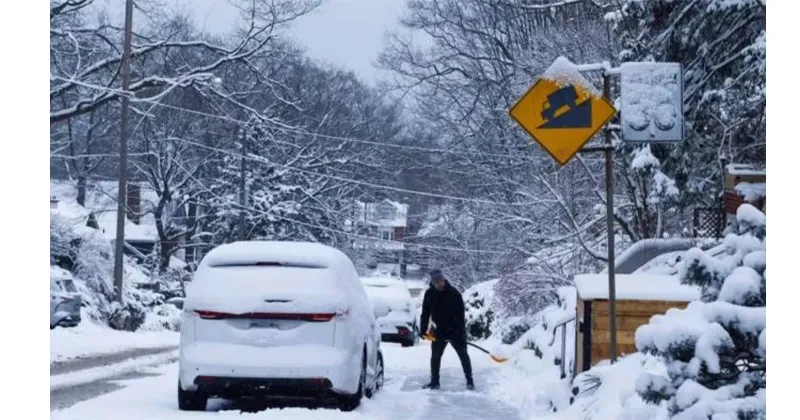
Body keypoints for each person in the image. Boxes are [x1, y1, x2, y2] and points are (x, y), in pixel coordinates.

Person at [419, 268, 474, 390]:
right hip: (438, 331)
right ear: (433, 283)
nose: (440, 284)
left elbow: (460, 316)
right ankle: (434, 382)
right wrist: (423, 330)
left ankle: (470, 380)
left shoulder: (454, 293)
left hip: (456, 331)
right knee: (435, 357)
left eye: (441, 281)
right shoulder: (429, 294)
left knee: (463, 355)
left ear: (444, 279)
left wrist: (457, 332)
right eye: (437, 282)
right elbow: (425, 313)